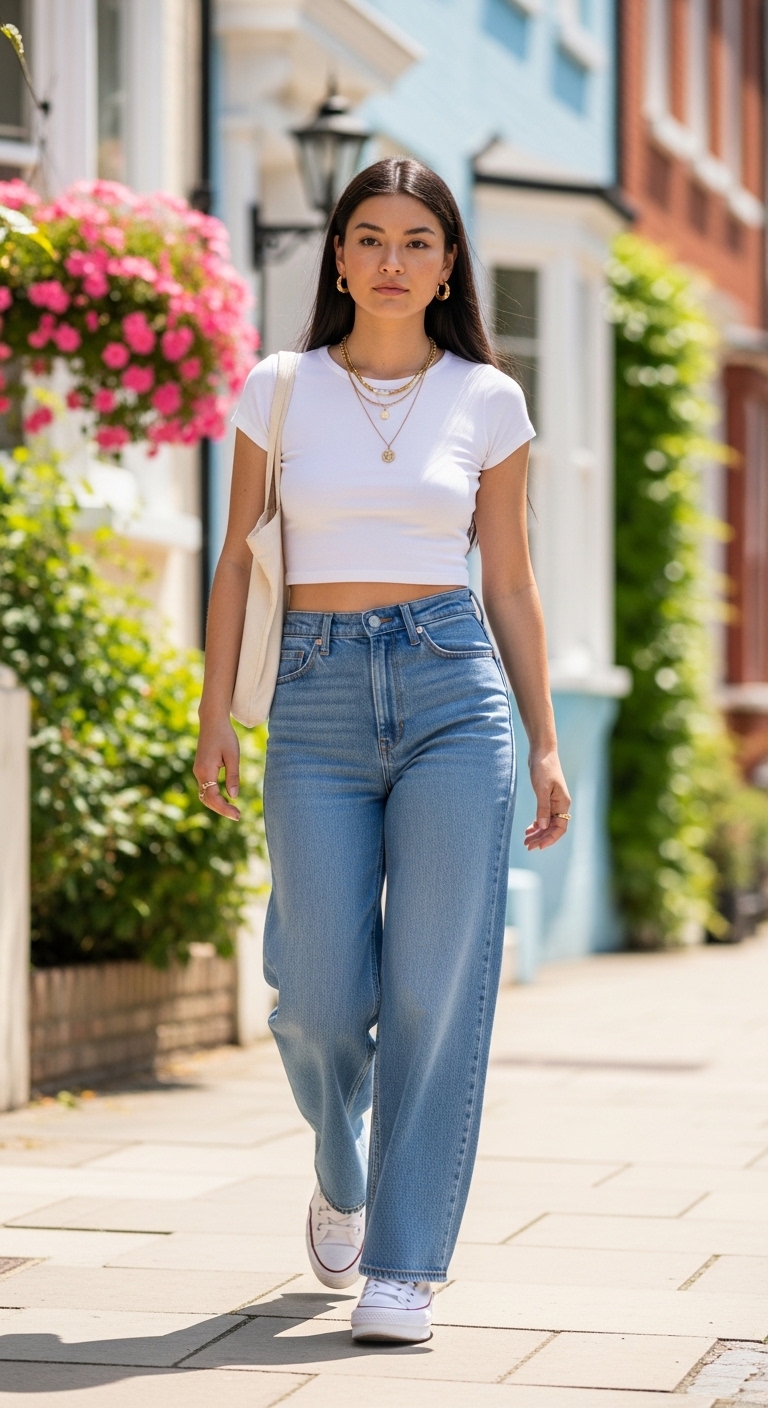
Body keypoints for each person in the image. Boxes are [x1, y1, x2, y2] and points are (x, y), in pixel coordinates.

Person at [194, 158, 570, 1344]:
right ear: (340, 256)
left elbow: (507, 580)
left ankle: (405, 1265)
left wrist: (546, 744)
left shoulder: (489, 401)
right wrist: (214, 713)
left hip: (454, 687)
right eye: (369, 237)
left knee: (433, 990)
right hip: (311, 695)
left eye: (417, 240)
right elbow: (239, 561)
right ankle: (339, 1160)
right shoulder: (280, 386)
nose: (393, 260)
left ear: (448, 262)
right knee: (313, 996)